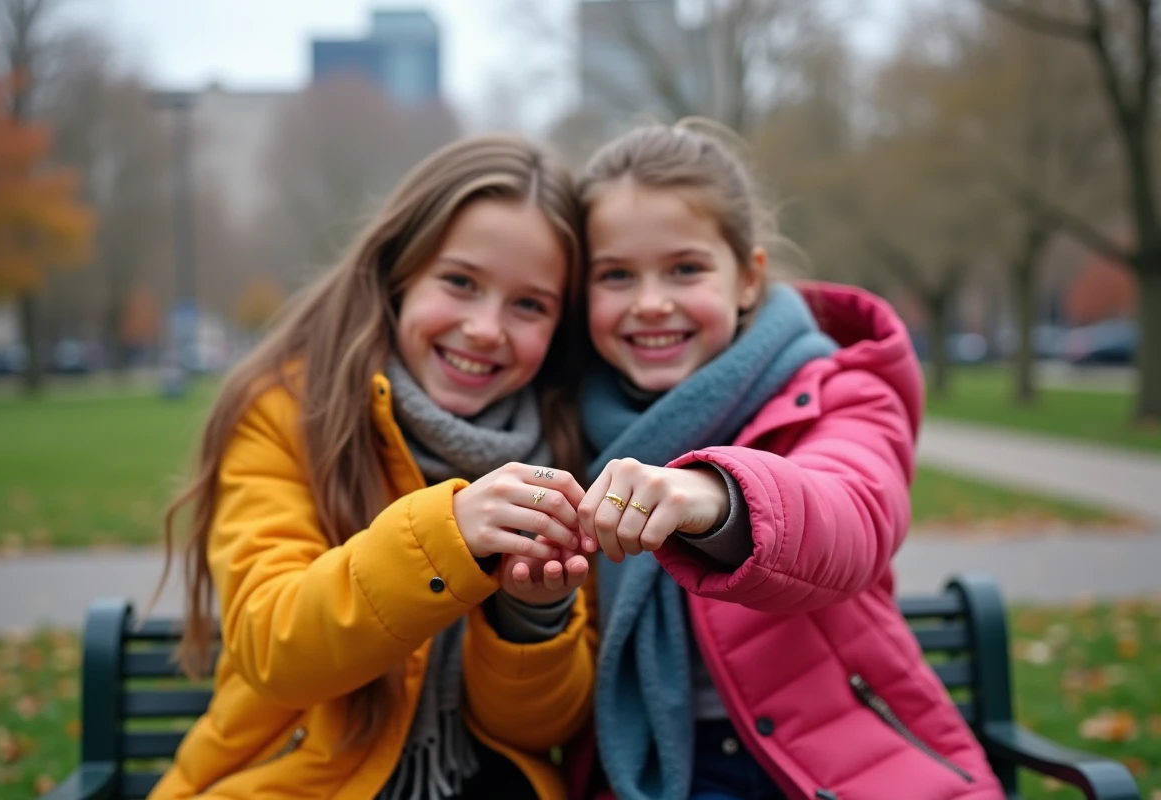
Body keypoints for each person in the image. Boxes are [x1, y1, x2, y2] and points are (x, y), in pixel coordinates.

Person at [147, 134, 596, 800]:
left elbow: (538, 730)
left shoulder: (561, 439)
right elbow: (273, 644)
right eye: (460, 282)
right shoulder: (286, 411)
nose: (483, 327)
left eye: (528, 304)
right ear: (399, 271)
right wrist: (448, 537)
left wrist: (531, 620)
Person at [567, 122, 1005, 799]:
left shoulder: (842, 391)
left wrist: (714, 498)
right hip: (655, 773)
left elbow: (853, 518)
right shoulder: (563, 424)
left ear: (747, 278)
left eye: (686, 269)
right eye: (616, 275)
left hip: (831, 767)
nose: (650, 302)